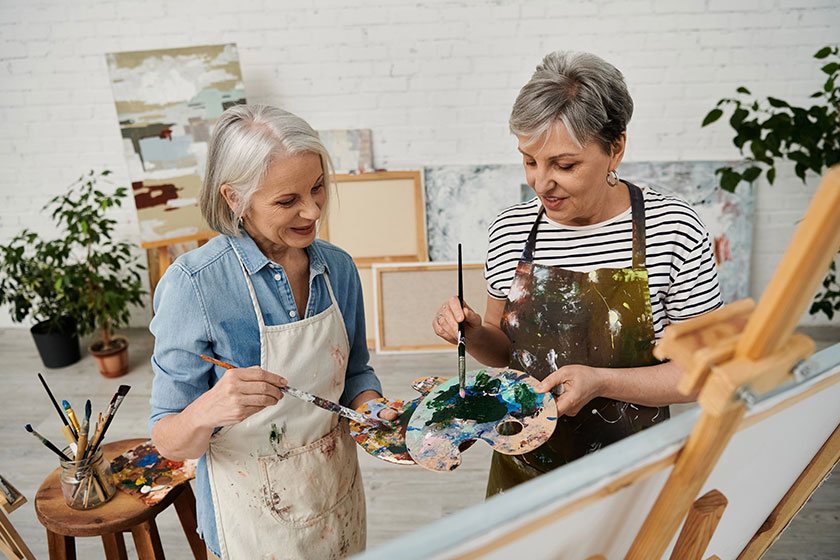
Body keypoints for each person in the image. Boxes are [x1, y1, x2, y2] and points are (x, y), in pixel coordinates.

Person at [432, 51, 722, 496]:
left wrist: (602, 382)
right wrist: (470, 330)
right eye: (530, 160)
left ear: (616, 148)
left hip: (634, 478)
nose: (541, 183)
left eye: (564, 165)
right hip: (522, 474)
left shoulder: (673, 230)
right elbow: (501, 349)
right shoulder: (510, 229)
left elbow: (702, 373)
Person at [149, 104, 395, 560]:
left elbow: (356, 373)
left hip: (336, 497)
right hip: (252, 524)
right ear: (234, 198)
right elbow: (167, 440)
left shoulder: (337, 268)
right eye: (287, 201)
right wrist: (211, 408)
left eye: (317, 188)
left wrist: (373, 410)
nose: (312, 210)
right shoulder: (196, 287)